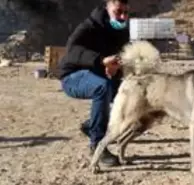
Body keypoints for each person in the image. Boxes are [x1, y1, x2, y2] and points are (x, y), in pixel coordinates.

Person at [55, 0, 130, 166]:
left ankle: (92, 126)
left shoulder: (123, 32)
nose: (123, 17)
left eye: (126, 12)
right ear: (107, 8)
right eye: (118, 12)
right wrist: (102, 61)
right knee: (102, 87)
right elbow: (73, 51)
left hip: (102, 76)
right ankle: (97, 144)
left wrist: (118, 69)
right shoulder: (88, 27)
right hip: (73, 77)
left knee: (130, 97)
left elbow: (121, 58)